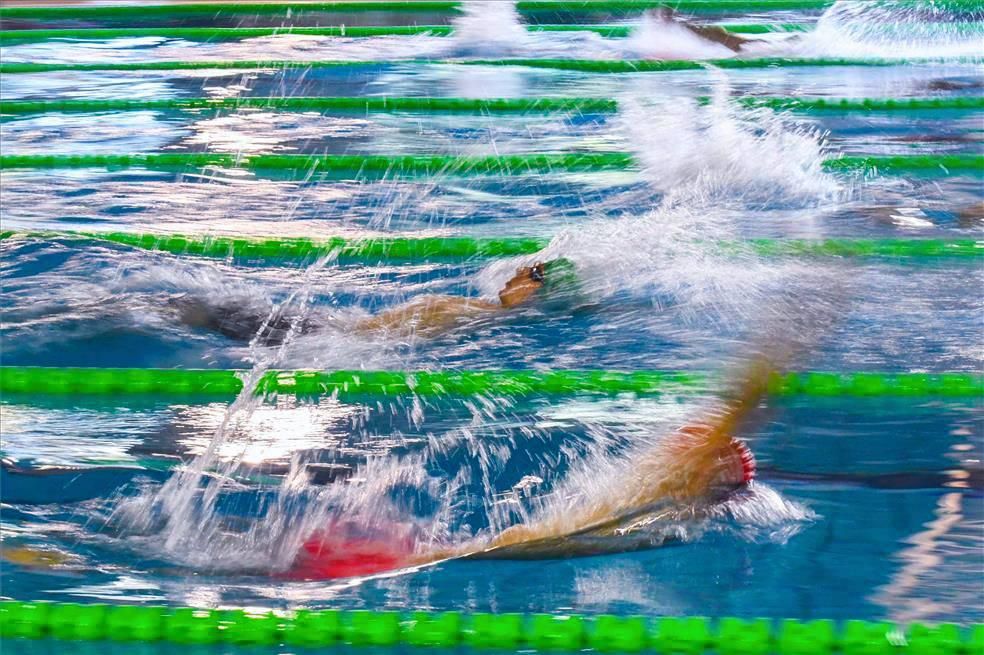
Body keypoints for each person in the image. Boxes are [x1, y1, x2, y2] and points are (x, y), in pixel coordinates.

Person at [290, 357, 768, 578]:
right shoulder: (660, 500)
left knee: (484, 548)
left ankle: (398, 556)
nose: (677, 439)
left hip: (556, 537)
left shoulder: (660, 502)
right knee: (478, 548)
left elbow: (731, 414)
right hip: (553, 537)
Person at [173, 258, 582, 344]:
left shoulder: (486, 321)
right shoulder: (482, 313)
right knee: (213, 312)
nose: (516, 276)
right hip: (337, 328)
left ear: (534, 293)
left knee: (208, 315)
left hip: (330, 339)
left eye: (529, 276)